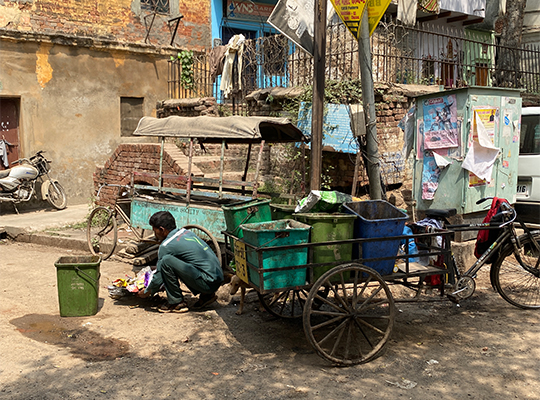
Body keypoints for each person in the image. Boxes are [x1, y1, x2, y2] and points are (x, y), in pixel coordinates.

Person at [137, 211, 224, 313]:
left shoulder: (166, 246)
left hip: (207, 283)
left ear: (162, 229)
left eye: (155, 230)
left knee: (166, 261)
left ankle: (176, 302)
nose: (154, 234)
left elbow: (160, 273)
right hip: (216, 278)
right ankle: (207, 296)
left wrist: (148, 291)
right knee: (172, 262)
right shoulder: (186, 232)